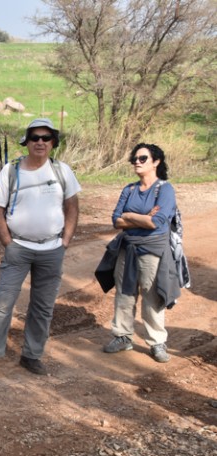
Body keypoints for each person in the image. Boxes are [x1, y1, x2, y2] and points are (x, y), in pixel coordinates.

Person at [0, 118, 81, 377]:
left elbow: (72, 206)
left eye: (46, 138)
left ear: (53, 143)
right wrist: (7, 241)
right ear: (27, 142)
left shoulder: (62, 170)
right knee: (1, 304)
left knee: (42, 307)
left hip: (52, 249)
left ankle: (32, 355)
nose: (40, 142)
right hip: (18, 247)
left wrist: (65, 240)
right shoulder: (12, 170)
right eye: (35, 138)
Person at [95, 143, 179, 363]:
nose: (137, 162)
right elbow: (116, 220)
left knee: (152, 295)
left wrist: (129, 216)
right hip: (128, 248)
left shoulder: (165, 189)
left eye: (142, 159)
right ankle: (122, 336)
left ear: (156, 162)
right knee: (124, 293)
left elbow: (157, 222)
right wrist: (139, 217)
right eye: (134, 159)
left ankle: (156, 342)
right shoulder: (129, 189)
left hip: (152, 249)